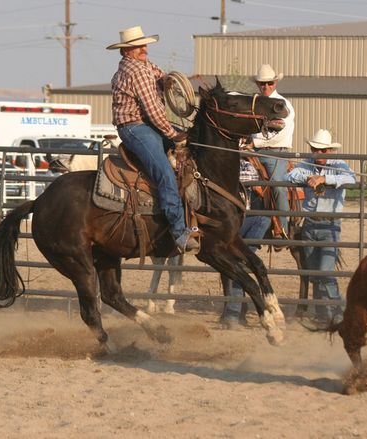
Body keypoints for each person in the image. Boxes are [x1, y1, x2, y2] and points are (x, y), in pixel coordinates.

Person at [107, 25, 198, 254]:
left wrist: (167, 79)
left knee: (193, 143)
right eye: (138, 46)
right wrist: (173, 134)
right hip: (135, 128)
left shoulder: (143, 65)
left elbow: (160, 75)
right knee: (164, 172)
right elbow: (153, 111)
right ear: (126, 51)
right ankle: (179, 232)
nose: (144, 48)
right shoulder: (135, 71)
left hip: (145, 125)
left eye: (144, 45)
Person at [285, 129, 355, 325]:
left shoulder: (339, 165)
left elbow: (351, 179)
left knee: (325, 272)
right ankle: (322, 315)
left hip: (330, 225)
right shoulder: (307, 164)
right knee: (315, 272)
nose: (319, 154)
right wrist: (308, 179)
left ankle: (339, 312)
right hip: (309, 224)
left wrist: (325, 179)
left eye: (323, 151)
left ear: (330, 150)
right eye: (316, 149)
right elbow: (290, 176)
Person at [219, 153, 271, 328]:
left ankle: (283, 226)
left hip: (247, 219)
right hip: (236, 220)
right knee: (238, 266)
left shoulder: (248, 164)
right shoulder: (226, 162)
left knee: (238, 265)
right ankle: (236, 312)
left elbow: (248, 177)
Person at [251, 64, 295, 239]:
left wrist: (254, 142)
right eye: (262, 84)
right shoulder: (253, 104)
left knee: (278, 184)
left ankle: (282, 229)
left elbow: (281, 131)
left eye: (269, 83)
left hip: (275, 153)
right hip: (252, 151)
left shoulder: (283, 105)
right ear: (258, 84)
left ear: (275, 83)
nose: (266, 87)